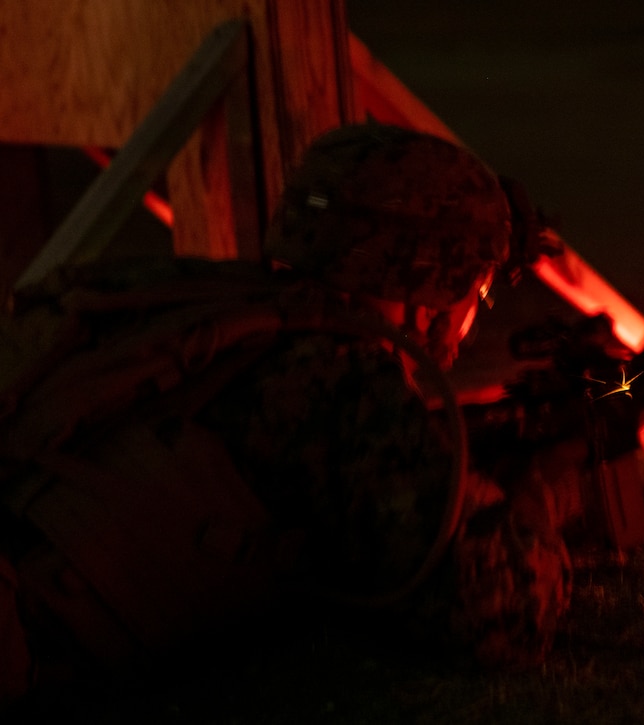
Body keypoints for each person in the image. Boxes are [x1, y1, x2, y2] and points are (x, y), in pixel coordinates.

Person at [0, 123, 573, 706]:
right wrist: (539, 501)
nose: (473, 313)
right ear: (431, 280)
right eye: (478, 292)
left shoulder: (194, 304)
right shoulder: (340, 381)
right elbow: (501, 613)